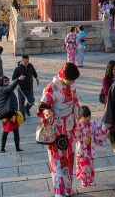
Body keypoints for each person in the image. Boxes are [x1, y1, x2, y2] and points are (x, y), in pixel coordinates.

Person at [37, 62, 80, 197]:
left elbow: (76, 102)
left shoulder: (71, 86)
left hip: (69, 129)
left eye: (74, 80)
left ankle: (67, 189)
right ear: (63, 75)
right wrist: (46, 112)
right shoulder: (52, 88)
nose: (72, 82)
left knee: (69, 159)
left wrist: (78, 114)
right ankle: (59, 192)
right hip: (57, 130)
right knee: (58, 161)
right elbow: (43, 105)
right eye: (71, 79)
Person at [75, 106, 107, 188]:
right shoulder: (79, 124)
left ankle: (91, 180)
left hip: (90, 149)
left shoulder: (92, 123)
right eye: (85, 118)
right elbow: (76, 135)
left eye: (89, 117)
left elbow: (100, 127)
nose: (88, 119)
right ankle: (84, 181)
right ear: (81, 117)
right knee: (83, 166)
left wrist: (104, 127)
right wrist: (76, 124)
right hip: (82, 150)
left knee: (91, 166)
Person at [0, 75, 26, 152]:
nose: (8, 82)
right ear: (1, 82)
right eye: (5, 81)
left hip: (11, 112)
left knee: (16, 131)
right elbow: (10, 88)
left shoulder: (4, 88)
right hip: (7, 113)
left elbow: (10, 88)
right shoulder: (2, 89)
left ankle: (17, 148)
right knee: (6, 131)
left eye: (8, 80)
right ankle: (2, 148)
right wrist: (18, 79)